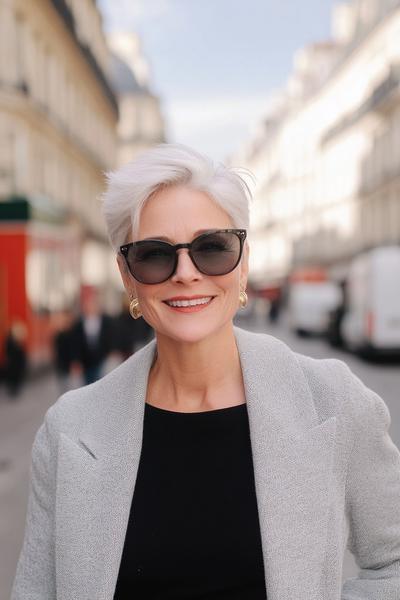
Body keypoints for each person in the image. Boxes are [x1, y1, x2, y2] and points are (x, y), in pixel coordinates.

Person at [12, 144, 400, 599]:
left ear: (244, 262)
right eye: (154, 254)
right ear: (126, 274)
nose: (185, 273)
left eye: (211, 248)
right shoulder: (69, 428)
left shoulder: (332, 400)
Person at [69, 289, 114, 385]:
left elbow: (111, 337)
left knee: (101, 383)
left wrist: (111, 352)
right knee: (88, 385)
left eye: (92, 304)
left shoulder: (106, 321)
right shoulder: (78, 324)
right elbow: (75, 344)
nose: (89, 307)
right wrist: (75, 360)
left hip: (102, 358)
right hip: (86, 362)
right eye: (87, 304)